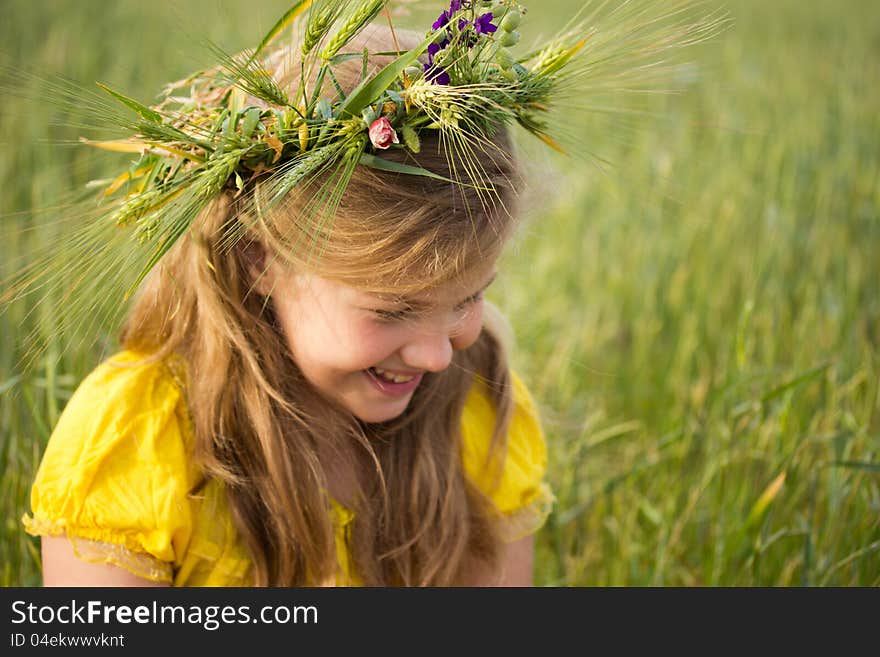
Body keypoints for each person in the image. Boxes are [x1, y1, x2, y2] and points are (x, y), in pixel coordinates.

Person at [21, 0, 559, 587]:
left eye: (466, 299)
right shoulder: (137, 441)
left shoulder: (474, 411)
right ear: (261, 257)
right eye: (393, 309)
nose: (437, 356)